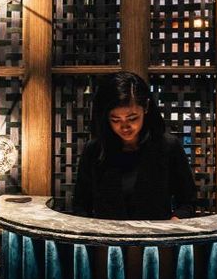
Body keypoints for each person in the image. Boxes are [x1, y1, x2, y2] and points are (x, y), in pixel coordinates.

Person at [72, 71, 197, 220]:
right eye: (116, 120)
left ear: (145, 107)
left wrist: (174, 221)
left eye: (132, 118)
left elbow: (187, 202)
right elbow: (81, 205)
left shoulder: (168, 147)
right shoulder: (94, 150)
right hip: (108, 240)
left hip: (154, 239)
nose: (125, 127)